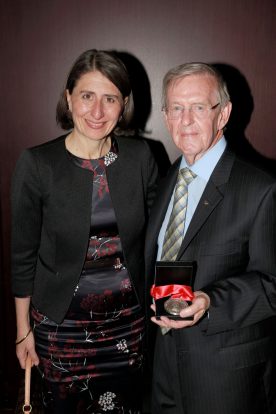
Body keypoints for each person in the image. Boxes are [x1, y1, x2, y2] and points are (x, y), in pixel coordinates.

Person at [11, 49, 158, 414]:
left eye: (110, 99)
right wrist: (22, 330)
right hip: (63, 331)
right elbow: (22, 256)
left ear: (123, 104)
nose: (97, 111)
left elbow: (162, 239)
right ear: (68, 98)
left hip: (128, 328)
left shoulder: (142, 158)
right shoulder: (38, 164)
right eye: (87, 96)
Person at [145, 62, 276, 414]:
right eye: (176, 108)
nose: (185, 120)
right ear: (166, 115)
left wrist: (210, 301)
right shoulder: (165, 180)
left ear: (224, 114)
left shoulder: (262, 189)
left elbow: (273, 285)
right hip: (161, 366)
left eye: (199, 107)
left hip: (224, 378)